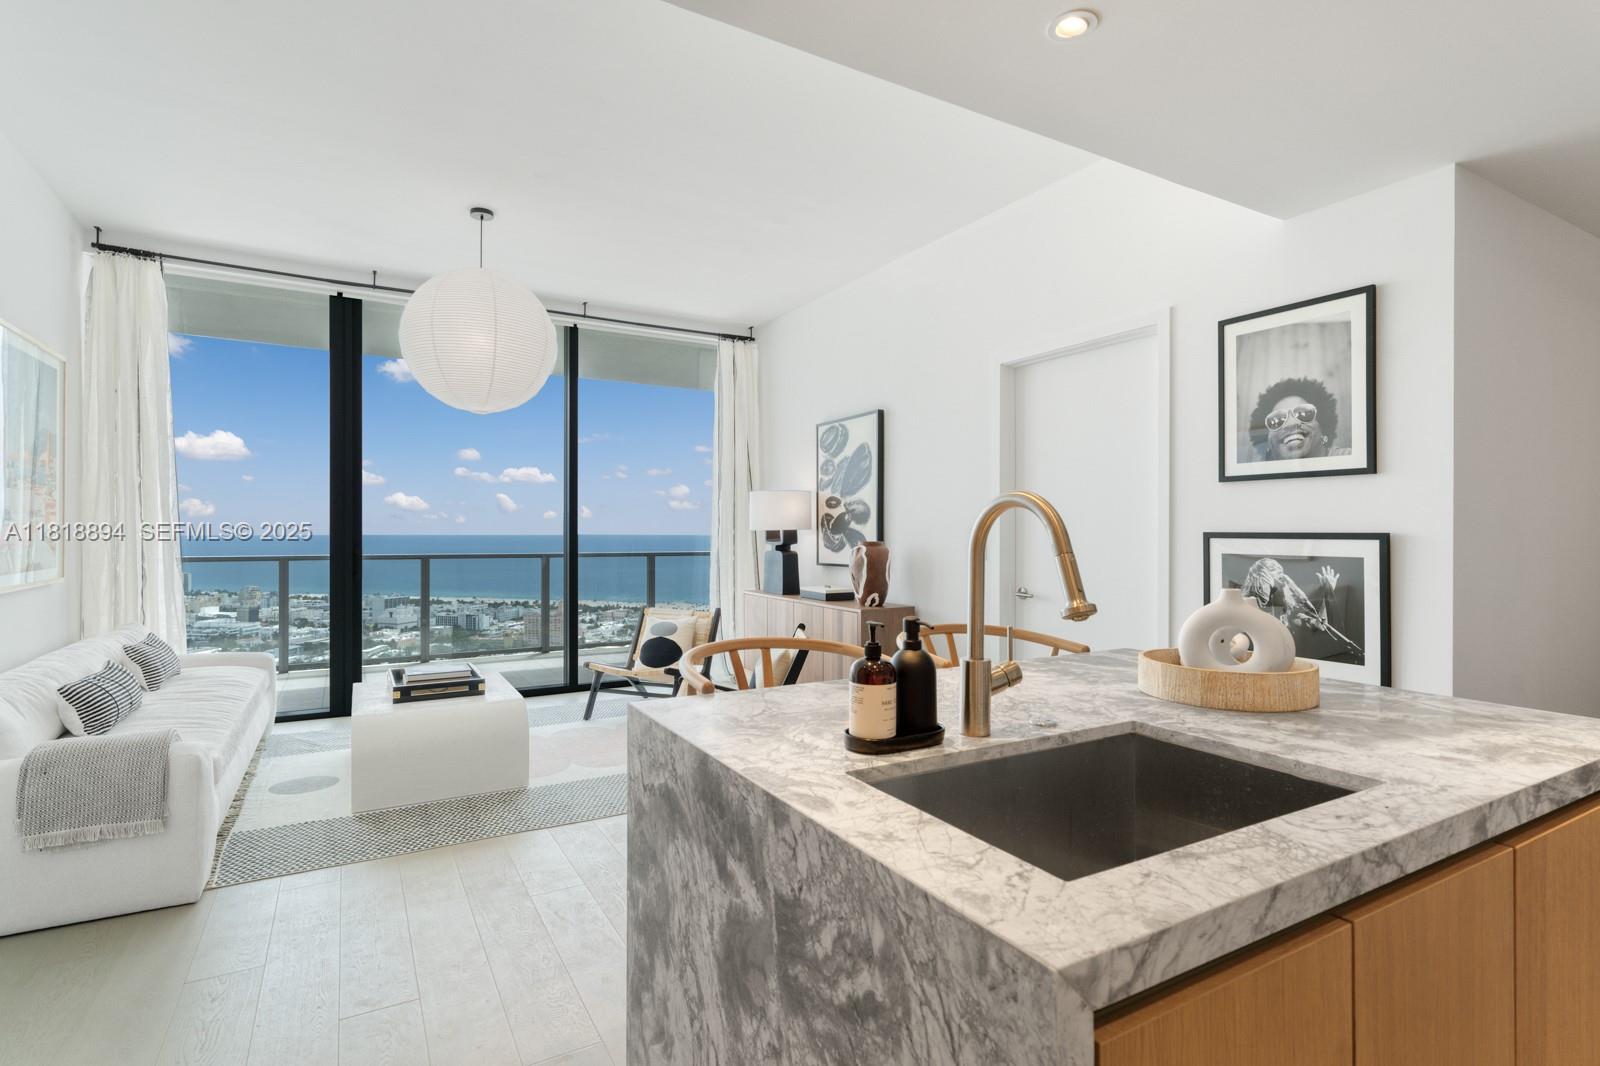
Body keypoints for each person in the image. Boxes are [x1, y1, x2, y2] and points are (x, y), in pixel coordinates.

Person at [1247, 376, 1350, 462]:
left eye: (1304, 413)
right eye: (1277, 420)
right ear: (1268, 441)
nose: (1291, 423)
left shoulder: (1349, 459)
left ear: (1323, 428)